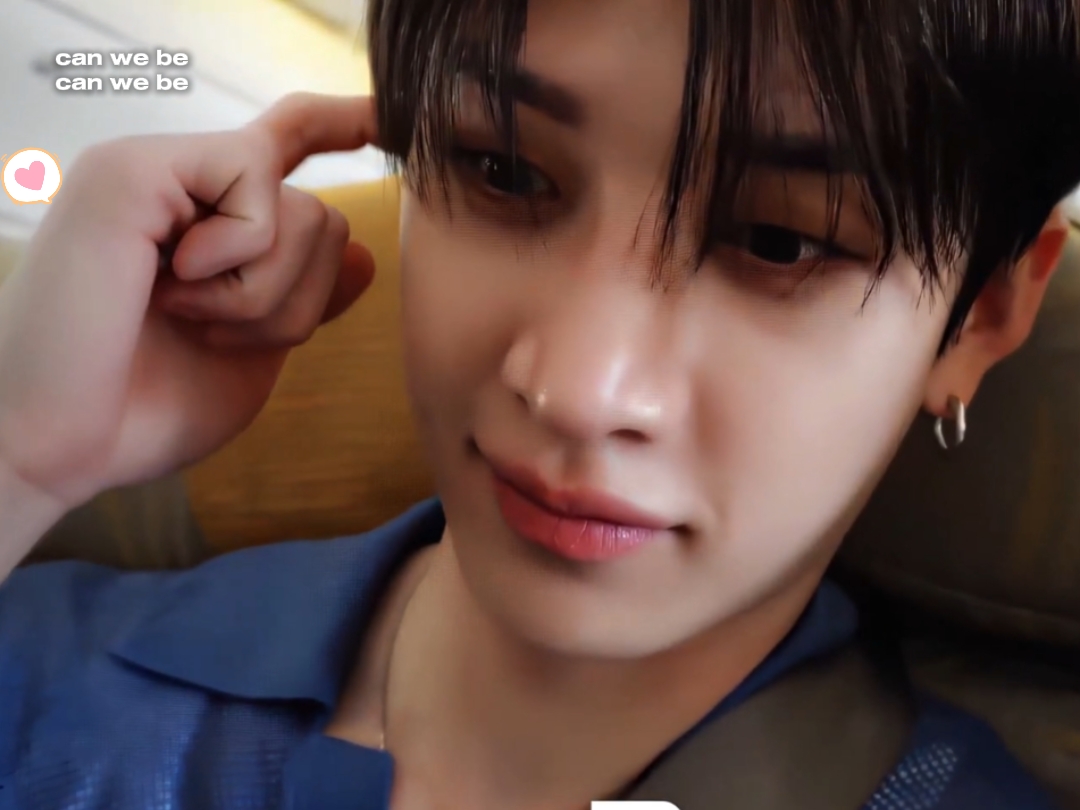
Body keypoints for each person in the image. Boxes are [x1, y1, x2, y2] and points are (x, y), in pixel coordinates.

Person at [0, 0, 1078, 807]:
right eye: (503, 171)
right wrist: (24, 456)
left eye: (780, 243)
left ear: (980, 318)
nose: (573, 389)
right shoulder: (53, 671)